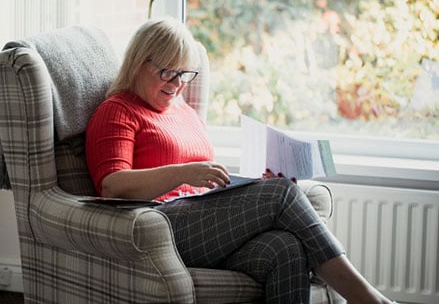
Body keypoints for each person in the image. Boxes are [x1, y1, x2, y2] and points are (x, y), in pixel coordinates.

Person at [85, 17, 393, 303]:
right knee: (282, 193)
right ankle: (367, 298)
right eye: (166, 72)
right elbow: (112, 186)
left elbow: (204, 180)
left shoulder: (183, 112)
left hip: (201, 222)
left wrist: (250, 185)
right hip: (159, 227)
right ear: (139, 63)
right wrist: (183, 173)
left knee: (285, 248)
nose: (177, 84)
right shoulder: (118, 110)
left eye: (184, 74)